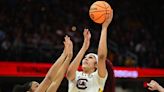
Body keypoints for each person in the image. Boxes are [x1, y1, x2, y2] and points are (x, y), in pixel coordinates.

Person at [66, 9, 114, 92]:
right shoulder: (76, 74)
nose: (86, 59)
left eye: (91, 57)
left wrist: (104, 28)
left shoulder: (98, 77)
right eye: (85, 57)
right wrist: (84, 47)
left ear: (96, 65)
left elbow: (102, 56)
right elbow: (69, 74)